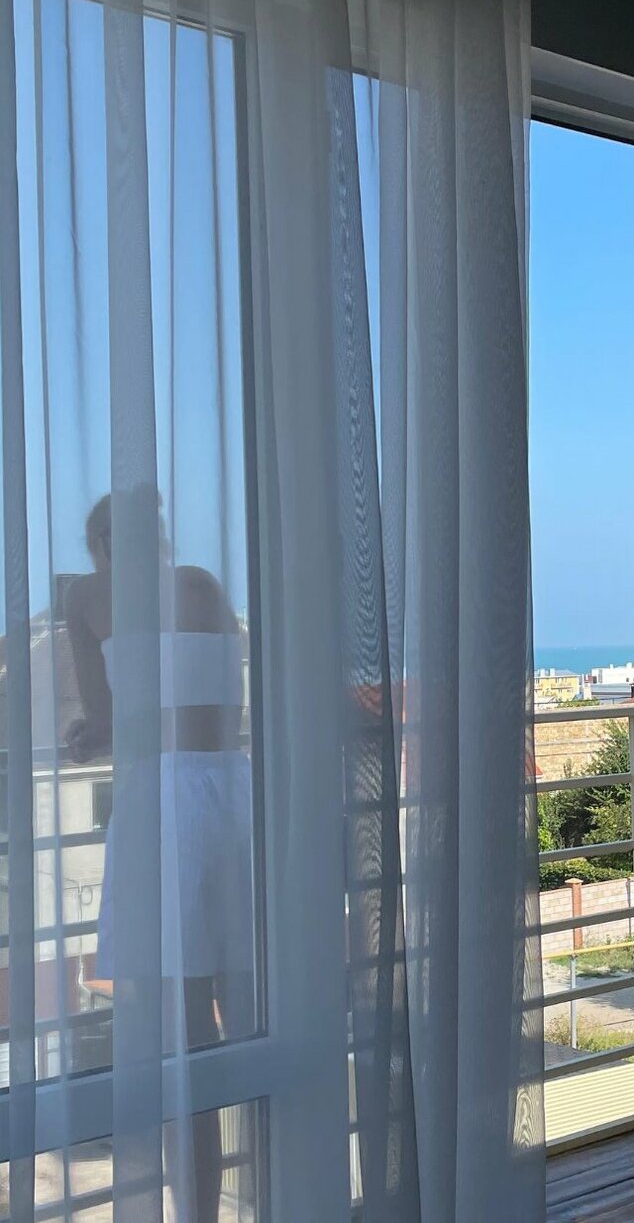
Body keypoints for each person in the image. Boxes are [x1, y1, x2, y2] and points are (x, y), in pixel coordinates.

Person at [65, 490, 254, 1223]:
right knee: (250, 1021)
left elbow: (110, 718)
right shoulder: (203, 585)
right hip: (234, 795)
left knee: (183, 1043)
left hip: (161, 808)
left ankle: (196, 1212)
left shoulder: (90, 599)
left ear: (102, 545)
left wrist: (91, 735)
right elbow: (221, 704)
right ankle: (283, 1190)